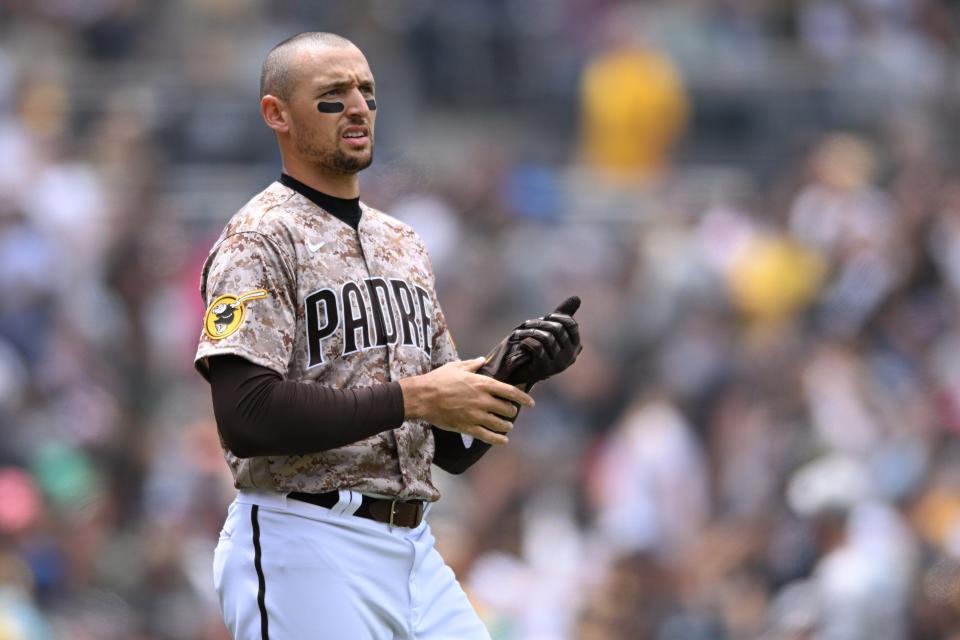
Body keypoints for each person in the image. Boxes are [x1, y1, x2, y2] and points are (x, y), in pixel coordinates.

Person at [193, 32, 581, 639]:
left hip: (413, 545)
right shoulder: (258, 239)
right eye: (332, 95)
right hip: (305, 540)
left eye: (367, 91)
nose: (357, 106)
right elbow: (245, 414)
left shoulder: (402, 242)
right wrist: (416, 397)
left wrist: (517, 373)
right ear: (278, 114)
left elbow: (448, 450)